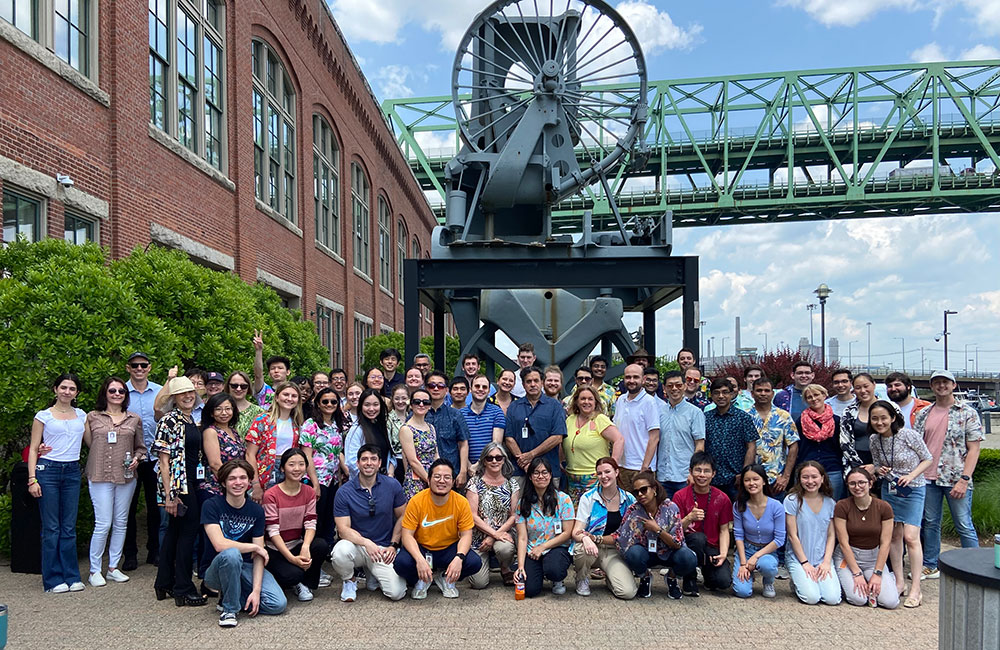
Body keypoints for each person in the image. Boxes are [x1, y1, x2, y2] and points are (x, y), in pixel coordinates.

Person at [915, 369, 983, 581]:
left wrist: (964, 479)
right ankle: (930, 564)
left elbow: (974, 449)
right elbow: (917, 446)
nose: (941, 386)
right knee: (931, 523)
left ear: (953, 385)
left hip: (955, 478)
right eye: (937, 382)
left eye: (946, 382)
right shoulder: (923, 413)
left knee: (963, 523)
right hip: (928, 478)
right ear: (932, 386)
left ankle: (975, 565)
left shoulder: (968, 412)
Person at [202, 458, 286, 627]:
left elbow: (258, 557)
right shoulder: (211, 505)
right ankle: (229, 609)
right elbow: (219, 544)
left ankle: (233, 595)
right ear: (224, 483)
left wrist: (256, 591)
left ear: (249, 482)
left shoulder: (256, 511)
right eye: (232, 478)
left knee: (277, 604)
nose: (238, 482)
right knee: (232, 553)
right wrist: (255, 547)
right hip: (216, 569)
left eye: (242, 478)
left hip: (245, 568)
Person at [867, 399, 932, 607]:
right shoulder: (874, 440)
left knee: (911, 536)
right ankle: (899, 582)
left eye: (884, 418)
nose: (879, 422)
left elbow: (927, 458)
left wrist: (911, 476)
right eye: (875, 418)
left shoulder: (908, 435)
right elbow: (877, 465)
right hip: (890, 489)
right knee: (894, 535)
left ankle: (916, 589)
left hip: (913, 488)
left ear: (893, 418)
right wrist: (880, 470)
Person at [83, 377, 146, 587]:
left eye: (121, 391)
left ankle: (112, 567)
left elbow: (141, 447)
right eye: (113, 390)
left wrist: (137, 459)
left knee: (121, 523)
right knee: (103, 523)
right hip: (100, 474)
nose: (117, 394)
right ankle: (94, 570)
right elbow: (90, 444)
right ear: (105, 393)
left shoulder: (134, 418)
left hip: (126, 476)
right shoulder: (92, 417)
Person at [28, 374, 87, 593]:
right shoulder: (44, 416)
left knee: (69, 528)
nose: (67, 392)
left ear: (77, 393)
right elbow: (34, 448)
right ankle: (53, 580)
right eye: (63, 387)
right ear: (55, 389)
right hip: (48, 470)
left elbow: (93, 441)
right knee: (52, 528)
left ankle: (72, 576)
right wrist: (32, 479)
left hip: (72, 472)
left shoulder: (81, 415)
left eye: (72, 389)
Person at [152, 376, 208, 606]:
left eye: (190, 392)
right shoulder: (169, 421)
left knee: (175, 533)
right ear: (174, 398)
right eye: (182, 393)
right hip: (179, 485)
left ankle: (164, 581)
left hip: (192, 481)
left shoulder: (189, 419)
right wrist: (169, 495)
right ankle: (183, 587)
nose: (188, 396)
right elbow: (163, 462)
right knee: (188, 533)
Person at [394, 459, 482, 598]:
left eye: (447, 477)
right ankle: (421, 579)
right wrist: (419, 559)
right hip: (423, 548)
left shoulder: (461, 502)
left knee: (474, 562)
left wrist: (459, 558)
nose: (442, 481)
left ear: (453, 482)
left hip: (448, 549)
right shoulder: (416, 501)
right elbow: (407, 536)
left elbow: (466, 535)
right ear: (428, 480)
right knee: (401, 563)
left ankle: (444, 577)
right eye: (437, 477)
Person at [332, 444, 407, 602]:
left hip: (383, 548)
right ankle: (349, 580)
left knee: (397, 593)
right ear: (357, 463)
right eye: (364, 459)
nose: (369, 463)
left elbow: (403, 516)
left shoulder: (392, 485)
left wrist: (393, 545)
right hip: (357, 546)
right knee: (340, 552)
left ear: (380, 463)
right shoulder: (344, 492)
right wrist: (366, 543)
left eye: (373, 459)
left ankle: (372, 573)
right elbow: (343, 530)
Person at [615, 469, 696, 599]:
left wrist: (657, 530)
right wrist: (596, 538)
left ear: (654, 489)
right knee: (633, 553)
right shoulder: (634, 510)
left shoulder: (670, 508)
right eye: (636, 492)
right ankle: (645, 577)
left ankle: (672, 578)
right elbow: (620, 538)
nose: (640, 494)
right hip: (646, 553)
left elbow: (678, 543)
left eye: (644, 489)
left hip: (669, 552)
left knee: (689, 558)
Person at [262, 449, 330, 602]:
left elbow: (310, 521)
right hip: (275, 548)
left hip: (296, 543)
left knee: (320, 546)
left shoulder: (308, 492)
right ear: (282, 468)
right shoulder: (271, 495)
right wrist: (292, 558)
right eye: (291, 464)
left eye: (301, 464)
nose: (297, 469)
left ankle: (305, 584)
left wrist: (305, 547)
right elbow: (272, 531)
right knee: (292, 574)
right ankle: (293, 579)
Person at [570, 457, 637, 598]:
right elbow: (576, 532)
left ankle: (611, 577)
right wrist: (586, 539)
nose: (604, 477)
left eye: (608, 472)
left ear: (617, 472)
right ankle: (582, 578)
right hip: (590, 548)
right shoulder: (588, 498)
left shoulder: (629, 499)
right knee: (582, 548)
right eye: (599, 473)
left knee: (627, 592)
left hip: (614, 550)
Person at [833, 467, 899, 609]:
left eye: (862, 482)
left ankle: (887, 578)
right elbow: (843, 542)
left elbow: (886, 542)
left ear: (870, 483)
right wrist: (857, 574)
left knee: (890, 602)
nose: (857, 487)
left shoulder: (884, 507)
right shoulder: (842, 506)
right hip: (848, 557)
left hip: (873, 558)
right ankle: (846, 582)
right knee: (858, 599)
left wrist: (878, 573)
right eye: (852, 484)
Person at [197, 392, 245, 585]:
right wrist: (230, 486)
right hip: (215, 489)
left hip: (233, 488)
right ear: (211, 411)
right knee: (213, 535)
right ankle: (207, 576)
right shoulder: (210, 431)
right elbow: (216, 463)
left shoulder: (234, 431)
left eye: (228, 408)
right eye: (218, 409)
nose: (224, 412)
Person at [245, 382, 319, 499]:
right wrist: (255, 484)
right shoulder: (262, 420)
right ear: (277, 397)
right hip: (265, 472)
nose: (289, 399)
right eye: (286, 394)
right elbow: (250, 454)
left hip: (289, 471)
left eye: (294, 396)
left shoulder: (297, 424)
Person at [672, 452, 733, 595]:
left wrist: (723, 554)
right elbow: (674, 530)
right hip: (687, 545)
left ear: (713, 474)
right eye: (698, 470)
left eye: (707, 471)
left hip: (712, 548)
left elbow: (724, 530)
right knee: (698, 538)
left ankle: (707, 575)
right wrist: (689, 518)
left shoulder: (722, 498)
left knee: (723, 582)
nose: (702, 475)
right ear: (690, 472)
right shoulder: (679, 496)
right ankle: (690, 577)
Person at [514, 457, 574, 597]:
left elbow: (567, 533)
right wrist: (520, 567)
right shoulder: (523, 503)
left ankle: (556, 579)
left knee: (554, 569)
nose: (541, 476)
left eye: (545, 472)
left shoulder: (563, 499)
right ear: (529, 477)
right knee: (530, 591)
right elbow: (522, 538)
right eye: (536, 473)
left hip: (556, 547)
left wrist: (543, 547)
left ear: (550, 475)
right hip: (532, 550)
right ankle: (538, 572)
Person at [124, 352, 163, 569]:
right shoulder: (120, 392)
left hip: (155, 457)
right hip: (129, 459)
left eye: (143, 365)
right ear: (128, 368)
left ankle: (154, 550)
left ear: (149, 367)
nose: (139, 369)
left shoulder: (159, 392)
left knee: (154, 506)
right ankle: (129, 554)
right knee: (127, 508)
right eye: (135, 365)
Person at [784, 461, 840, 605]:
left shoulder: (830, 503)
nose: (810, 481)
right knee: (811, 598)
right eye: (805, 477)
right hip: (799, 558)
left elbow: (831, 535)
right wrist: (805, 563)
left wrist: (827, 562)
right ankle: (797, 582)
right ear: (799, 479)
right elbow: (792, 535)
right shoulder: (792, 501)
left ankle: (811, 581)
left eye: (814, 477)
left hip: (822, 558)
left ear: (822, 478)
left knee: (832, 599)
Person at [466, 443, 520, 589]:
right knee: (478, 584)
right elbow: (472, 515)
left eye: (498, 457)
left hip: (503, 534)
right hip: (478, 537)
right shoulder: (474, 483)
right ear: (484, 461)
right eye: (490, 458)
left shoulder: (512, 484)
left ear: (504, 460)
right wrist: (493, 534)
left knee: (505, 549)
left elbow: (514, 515)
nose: (494, 461)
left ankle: (505, 568)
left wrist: (494, 536)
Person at [299, 387, 348, 545]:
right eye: (325, 401)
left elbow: (336, 453)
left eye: (333, 401)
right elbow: (306, 455)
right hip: (316, 479)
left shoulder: (337, 424)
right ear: (318, 404)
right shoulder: (311, 425)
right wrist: (315, 484)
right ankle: (313, 556)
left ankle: (327, 552)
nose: (329, 404)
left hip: (332, 480)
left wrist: (339, 480)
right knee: (315, 520)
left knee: (329, 519)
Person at [504, 367, 568, 487]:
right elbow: (509, 437)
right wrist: (525, 463)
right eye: (528, 381)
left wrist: (531, 455)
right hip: (520, 470)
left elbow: (557, 437)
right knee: (518, 505)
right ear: (523, 384)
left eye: (536, 381)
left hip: (548, 471)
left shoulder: (555, 406)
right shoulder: (514, 406)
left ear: (542, 383)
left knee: (549, 505)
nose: (532, 384)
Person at [563, 385, 624, 505]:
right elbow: (564, 442)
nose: (586, 402)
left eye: (590, 399)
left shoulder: (599, 419)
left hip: (595, 478)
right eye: (583, 399)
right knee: (577, 517)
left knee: (595, 515)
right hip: (572, 478)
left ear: (596, 402)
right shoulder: (570, 420)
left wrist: (612, 466)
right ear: (577, 401)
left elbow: (619, 440)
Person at [731, 464, 785, 599]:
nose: (751, 483)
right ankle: (749, 574)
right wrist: (744, 563)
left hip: (767, 551)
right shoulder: (739, 505)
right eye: (747, 480)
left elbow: (779, 539)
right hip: (747, 549)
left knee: (767, 565)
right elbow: (738, 535)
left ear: (764, 481)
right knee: (742, 592)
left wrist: (755, 558)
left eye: (756, 479)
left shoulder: (776, 506)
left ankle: (768, 581)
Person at [797, 383, 856, 500]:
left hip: (833, 468)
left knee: (834, 503)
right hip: (808, 469)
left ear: (824, 395)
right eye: (809, 397)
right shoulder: (800, 421)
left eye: (816, 395)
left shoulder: (837, 420)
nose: (814, 399)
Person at [703, 378, 757, 501]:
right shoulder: (705, 418)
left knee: (737, 514)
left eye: (725, 392)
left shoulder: (743, 417)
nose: (721, 396)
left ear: (732, 394)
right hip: (711, 478)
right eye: (716, 393)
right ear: (711, 395)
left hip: (735, 478)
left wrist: (744, 473)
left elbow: (751, 446)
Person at [656, 370, 705, 499]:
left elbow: (700, 444)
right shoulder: (658, 412)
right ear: (664, 388)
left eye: (678, 385)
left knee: (686, 516)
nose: (674, 389)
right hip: (663, 476)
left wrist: (693, 471)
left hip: (684, 476)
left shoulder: (695, 413)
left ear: (684, 386)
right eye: (670, 386)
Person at [613, 364, 661, 490]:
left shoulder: (649, 402)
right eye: (628, 377)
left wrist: (644, 468)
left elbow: (654, 437)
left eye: (636, 377)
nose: (632, 381)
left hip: (640, 467)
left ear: (643, 379)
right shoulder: (620, 400)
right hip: (622, 466)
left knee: (644, 506)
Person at [748, 377, 799, 497]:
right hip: (750, 479)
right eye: (759, 390)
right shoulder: (745, 416)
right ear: (752, 393)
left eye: (767, 390)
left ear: (773, 393)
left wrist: (786, 476)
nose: (763, 394)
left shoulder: (783, 416)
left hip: (776, 480)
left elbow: (793, 446)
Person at [424, 371, 471, 489]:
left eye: (440, 386)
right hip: (423, 475)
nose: (436, 389)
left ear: (446, 390)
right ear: (426, 388)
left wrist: (463, 471)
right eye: (431, 385)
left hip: (451, 475)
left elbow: (463, 443)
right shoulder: (417, 414)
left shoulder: (455, 415)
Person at [344, 388, 396, 478]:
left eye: (375, 405)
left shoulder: (384, 427)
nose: (371, 409)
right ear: (361, 406)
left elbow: (391, 454)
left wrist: (390, 473)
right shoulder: (356, 430)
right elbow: (351, 462)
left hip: (384, 480)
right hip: (365, 484)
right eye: (367, 405)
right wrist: (371, 479)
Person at [399, 388, 438, 500]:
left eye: (425, 402)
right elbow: (413, 461)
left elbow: (436, 455)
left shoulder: (431, 427)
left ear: (430, 406)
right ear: (411, 405)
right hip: (417, 480)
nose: (421, 405)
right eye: (417, 402)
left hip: (433, 477)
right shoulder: (406, 429)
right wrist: (429, 480)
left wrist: (438, 476)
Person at [461, 375, 506, 466]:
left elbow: (496, 444)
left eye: (484, 387)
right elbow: (459, 444)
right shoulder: (460, 414)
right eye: (477, 386)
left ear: (489, 391)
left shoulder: (497, 412)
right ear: (470, 389)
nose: (481, 389)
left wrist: (478, 465)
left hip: (490, 466)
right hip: (465, 468)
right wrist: (469, 467)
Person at [840, 372, 879, 466]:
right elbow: (844, 442)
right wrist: (858, 467)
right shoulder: (848, 412)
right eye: (858, 388)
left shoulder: (891, 408)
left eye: (866, 386)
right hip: (856, 463)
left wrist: (876, 466)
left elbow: (897, 438)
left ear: (874, 385)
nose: (863, 390)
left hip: (884, 464)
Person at [252, 330, 290, 409]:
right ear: (269, 373)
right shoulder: (264, 391)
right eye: (273, 368)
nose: (276, 371)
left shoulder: (293, 391)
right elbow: (258, 375)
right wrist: (259, 351)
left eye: (280, 368)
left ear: (288, 372)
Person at [225, 371, 265, 438]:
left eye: (243, 386)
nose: (238, 389)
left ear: (248, 388)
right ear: (228, 386)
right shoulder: (219, 409)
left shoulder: (259, 412)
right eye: (234, 386)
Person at [387, 383, 410, 482]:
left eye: (404, 398)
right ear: (392, 399)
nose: (400, 401)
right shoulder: (388, 419)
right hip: (396, 463)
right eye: (397, 398)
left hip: (412, 462)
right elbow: (388, 446)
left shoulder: (412, 417)